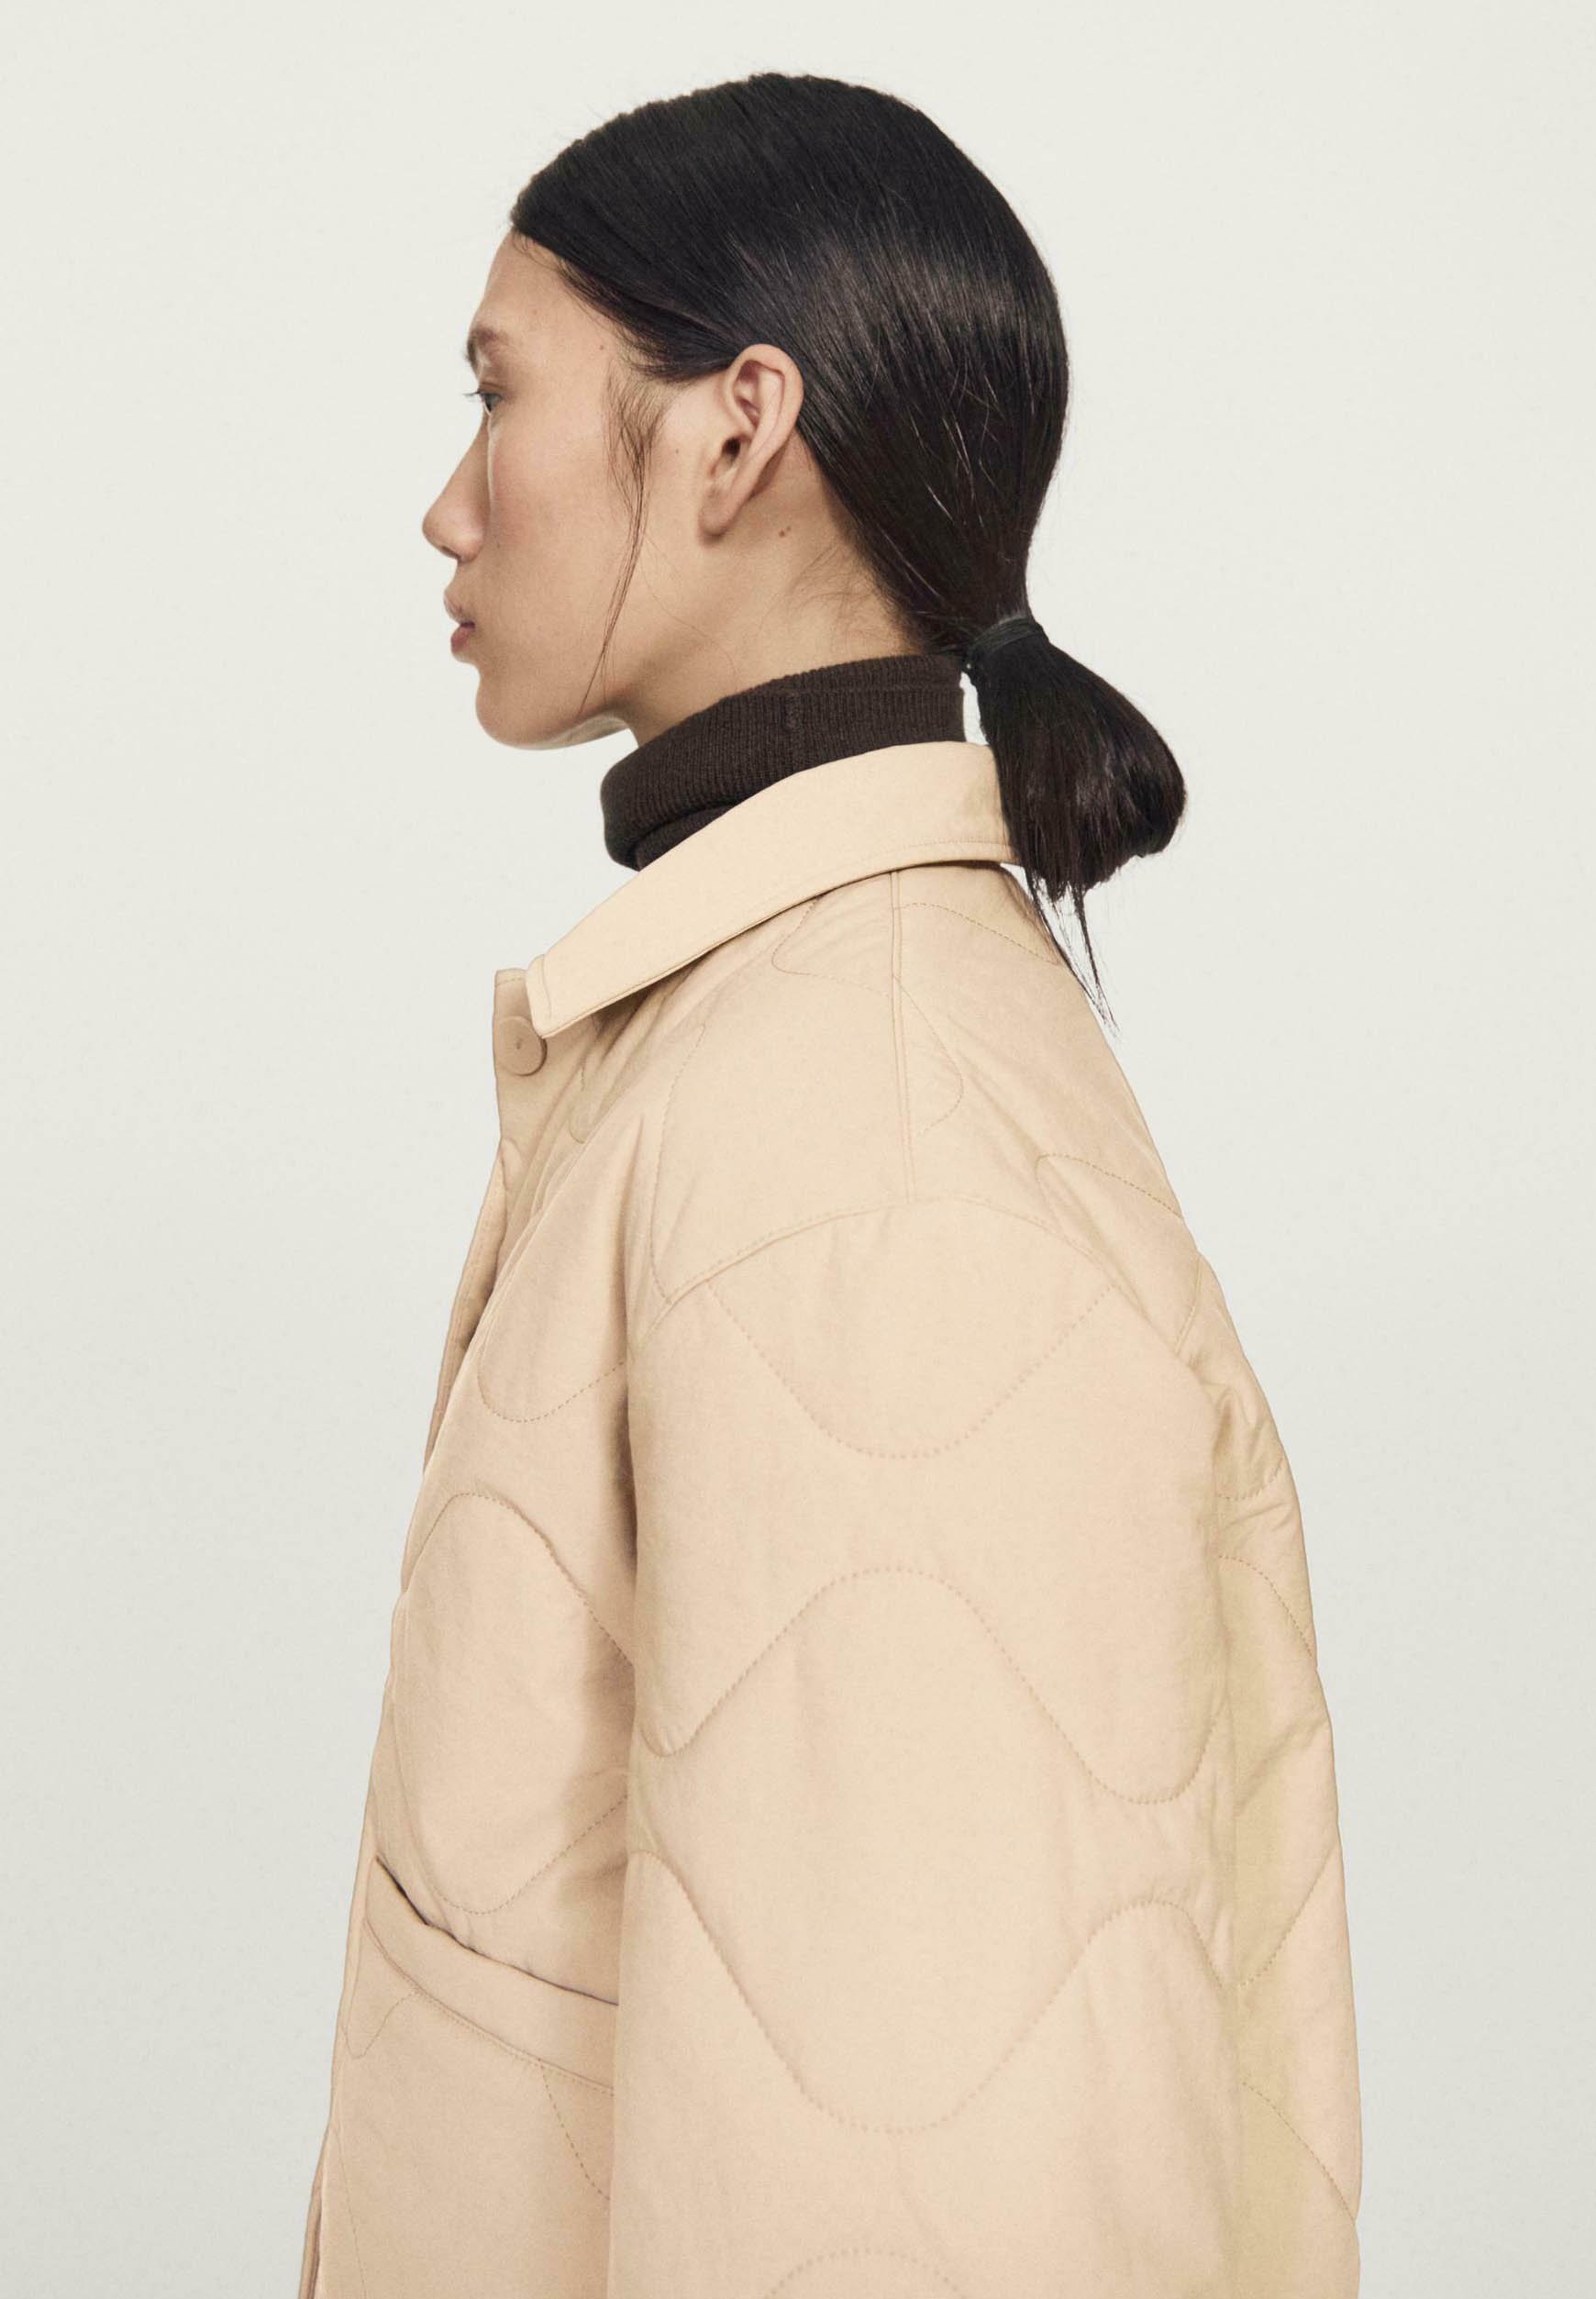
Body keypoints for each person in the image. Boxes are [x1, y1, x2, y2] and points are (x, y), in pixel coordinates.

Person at [296, 70, 1361, 2299]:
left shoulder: (870, 1145)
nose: (446, 507)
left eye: (497, 394)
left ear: (736, 429)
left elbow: (925, 2191)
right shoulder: (769, 1049)